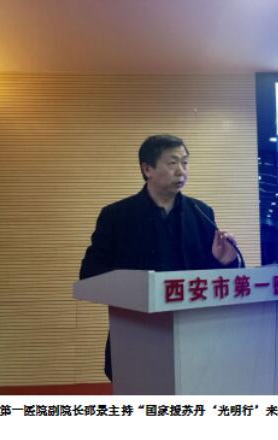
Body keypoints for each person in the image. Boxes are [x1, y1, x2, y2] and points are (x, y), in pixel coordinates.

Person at [79, 134, 240, 381]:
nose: (181, 171)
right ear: (147, 169)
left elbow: (212, 279)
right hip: (135, 333)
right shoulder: (116, 216)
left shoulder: (201, 213)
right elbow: (90, 274)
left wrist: (224, 261)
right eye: (172, 163)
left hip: (192, 333)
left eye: (185, 163)